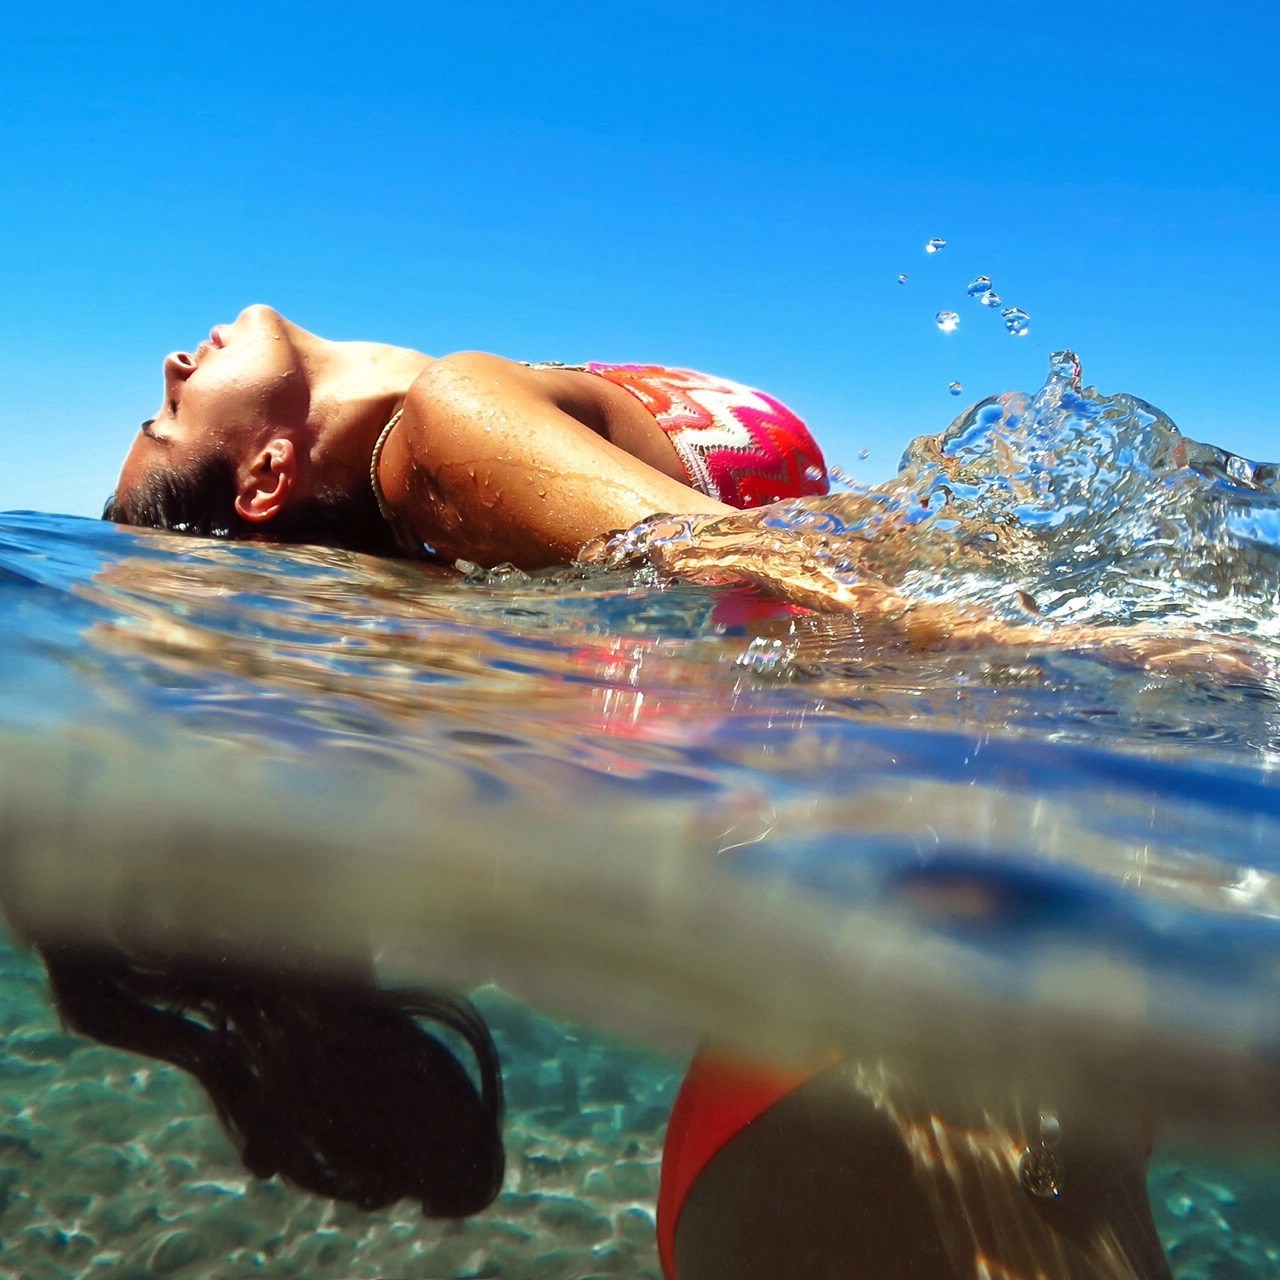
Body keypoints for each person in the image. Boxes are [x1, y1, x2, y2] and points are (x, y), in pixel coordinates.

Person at [106, 303, 829, 568]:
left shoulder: (447, 434)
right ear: (265, 476)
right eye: (171, 414)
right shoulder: (451, 417)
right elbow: (789, 570)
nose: (171, 367)